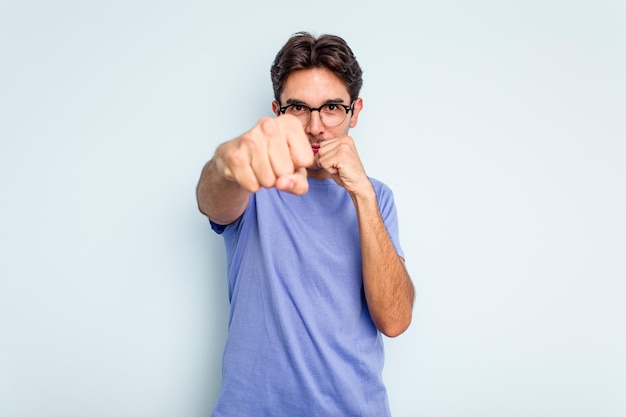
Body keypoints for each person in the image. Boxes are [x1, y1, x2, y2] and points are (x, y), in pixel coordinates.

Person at [196, 31, 414, 417]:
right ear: (277, 111)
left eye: (331, 107)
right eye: (299, 108)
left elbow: (394, 320)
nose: (315, 127)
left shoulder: (377, 197)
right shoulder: (253, 181)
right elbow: (211, 199)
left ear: (355, 111)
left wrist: (361, 193)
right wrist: (225, 164)